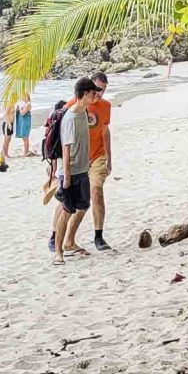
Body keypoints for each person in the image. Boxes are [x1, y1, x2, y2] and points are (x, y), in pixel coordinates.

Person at [50, 76, 100, 265]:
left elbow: (88, 127)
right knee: (67, 210)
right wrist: (67, 178)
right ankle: (58, 252)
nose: (96, 95)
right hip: (70, 172)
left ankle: (69, 243)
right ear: (85, 94)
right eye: (93, 92)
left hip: (82, 169)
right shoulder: (70, 117)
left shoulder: (83, 112)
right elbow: (66, 148)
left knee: (83, 205)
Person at [85, 71, 115, 251]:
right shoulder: (76, 104)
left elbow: (105, 131)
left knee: (96, 191)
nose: (98, 94)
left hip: (98, 155)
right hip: (79, 158)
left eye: (102, 90)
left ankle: (98, 236)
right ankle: (57, 235)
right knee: (74, 201)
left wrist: (110, 158)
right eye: (96, 89)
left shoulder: (106, 106)